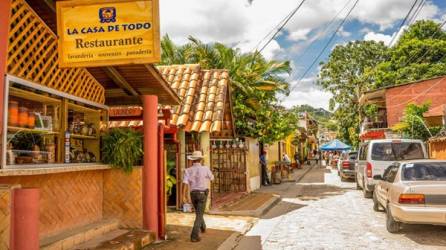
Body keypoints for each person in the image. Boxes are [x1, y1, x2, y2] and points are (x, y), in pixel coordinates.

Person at [183, 151, 214, 242]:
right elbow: (212, 178)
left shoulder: (187, 170)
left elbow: (184, 183)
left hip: (193, 194)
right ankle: (194, 235)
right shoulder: (205, 168)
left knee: (198, 212)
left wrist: (183, 196)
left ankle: (203, 227)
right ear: (201, 159)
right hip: (202, 194)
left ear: (192, 160)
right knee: (199, 214)